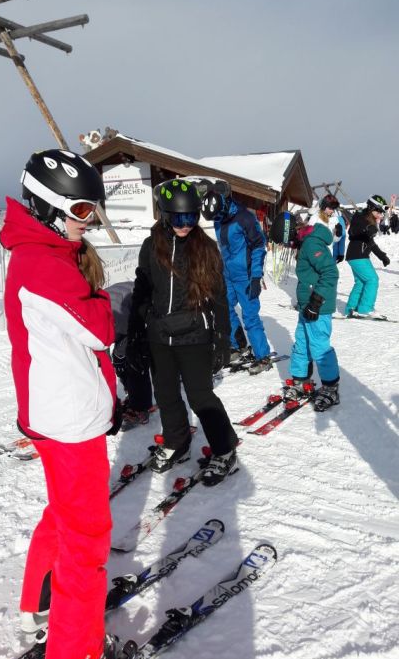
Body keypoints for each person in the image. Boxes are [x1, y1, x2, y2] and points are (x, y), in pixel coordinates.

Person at [0, 150, 120, 659]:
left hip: (55, 411)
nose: (87, 221)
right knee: (87, 538)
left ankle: (40, 604)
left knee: (64, 515)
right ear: (50, 207)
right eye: (83, 210)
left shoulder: (37, 251)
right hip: (70, 422)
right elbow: (99, 328)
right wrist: (107, 297)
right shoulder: (44, 263)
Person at [126, 178, 238, 485]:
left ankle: (224, 449)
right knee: (165, 394)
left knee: (200, 396)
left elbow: (219, 297)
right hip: (159, 334)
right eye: (179, 219)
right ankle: (177, 441)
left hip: (194, 334)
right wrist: (136, 331)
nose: (186, 225)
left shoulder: (206, 248)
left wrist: (222, 338)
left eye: (191, 217)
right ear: (164, 215)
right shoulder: (151, 246)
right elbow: (142, 290)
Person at [199, 178, 273, 375]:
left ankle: (263, 356)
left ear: (225, 203)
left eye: (218, 215)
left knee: (250, 316)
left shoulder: (244, 217)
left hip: (246, 276)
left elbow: (258, 246)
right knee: (224, 309)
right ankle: (239, 344)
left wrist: (256, 276)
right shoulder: (218, 218)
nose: (217, 219)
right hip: (227, 274)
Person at [272, 211, 340, 412]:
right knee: (301, 344)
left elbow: (330, 272)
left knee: (319, 347)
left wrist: (316, 301)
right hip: (307, 306)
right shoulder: (304, 243)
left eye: (285, 242)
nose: (286, 246)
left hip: (318, 307)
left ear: (291, 233)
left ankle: (331, 388)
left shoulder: (311, 245)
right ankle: (301, 380)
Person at [106, 280, 155, 430]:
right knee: (119, 362)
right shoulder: (97, 319)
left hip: (145, 309)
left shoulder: (115, 315)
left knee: (135, 360)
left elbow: (132, 334)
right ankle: (132, 394)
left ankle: (140, 408)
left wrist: (118, 356)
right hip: (125, 312)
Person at [345, 195, 390, 319]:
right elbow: (352, 231)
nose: (380, 214)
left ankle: (351, 309)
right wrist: (366, 228)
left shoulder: (370, 221)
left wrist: (382, 256)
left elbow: (371, 243)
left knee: (360, 282)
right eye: (379, 211)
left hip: (357, 255)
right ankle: (366, 309)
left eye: (381, 212)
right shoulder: (360, 216)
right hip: (357, 255)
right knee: (372, 280)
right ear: (371, 208)